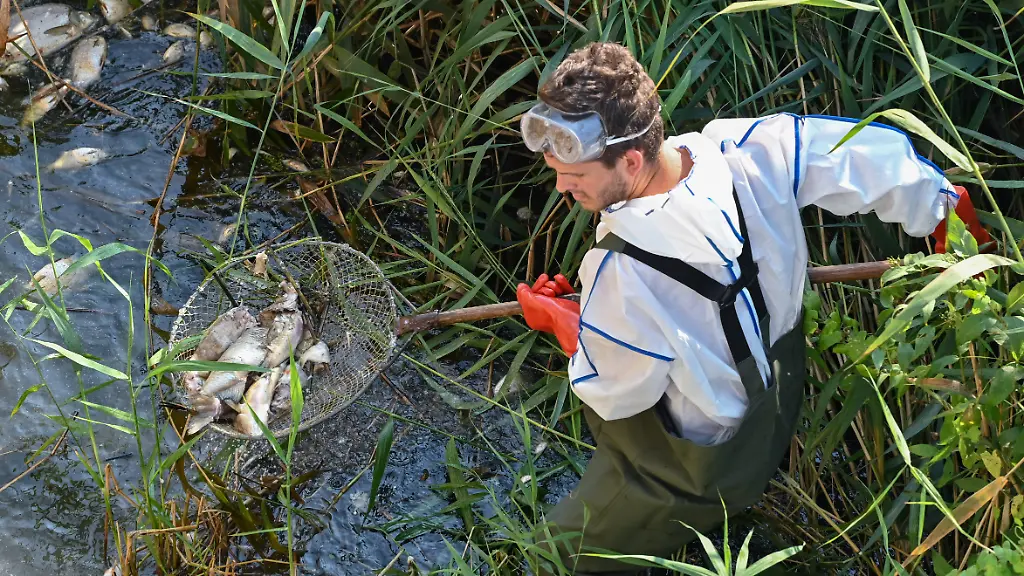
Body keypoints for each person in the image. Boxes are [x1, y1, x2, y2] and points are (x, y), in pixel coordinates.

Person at [513, 42, 993, 575]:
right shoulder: (756, 150)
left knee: (551, 556)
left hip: (697, 463)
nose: (561, 187)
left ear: (629, 159)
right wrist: (945, 206)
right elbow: (868, 160)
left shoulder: (618, 273)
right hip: (779, 401)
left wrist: (561, 319)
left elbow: (618, 393)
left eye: (575, 177)